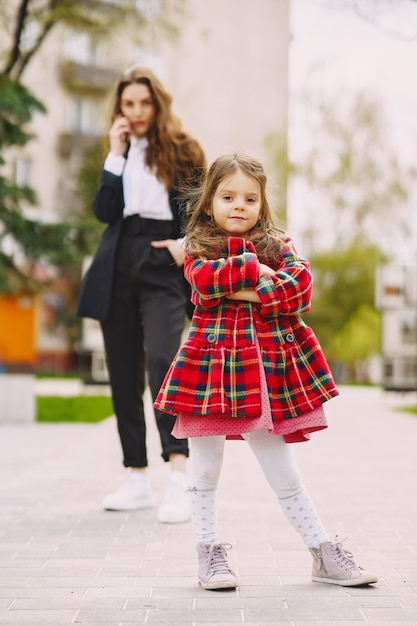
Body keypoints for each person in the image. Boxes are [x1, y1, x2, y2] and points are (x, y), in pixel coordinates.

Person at [154, 153, 378, 588]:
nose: (239, 205)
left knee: (284, 470)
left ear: (262, 203)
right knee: (204, 470)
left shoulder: (279, 243)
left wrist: (243, 289)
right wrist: (256, 270)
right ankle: (210, 553)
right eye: (228, 196)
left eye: (250, 198)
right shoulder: (197, 246)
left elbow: (300, 287)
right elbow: (203, 282)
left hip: (265, 376)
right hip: (210, 373)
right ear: (210, 201)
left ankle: (322, 553)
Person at [76, 66, 206, 523]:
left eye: (143, 104)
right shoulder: (120, 150)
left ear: (157, 105)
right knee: (123, 372)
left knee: (164, 360)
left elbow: (200, 211)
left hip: (161, 263)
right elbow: (104, 211)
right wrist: (114, 155)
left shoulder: (185, 150)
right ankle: (135, 476)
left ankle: (180, 474)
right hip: (117, 261)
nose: (135, 113)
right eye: (127, 105)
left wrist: (183, 248)